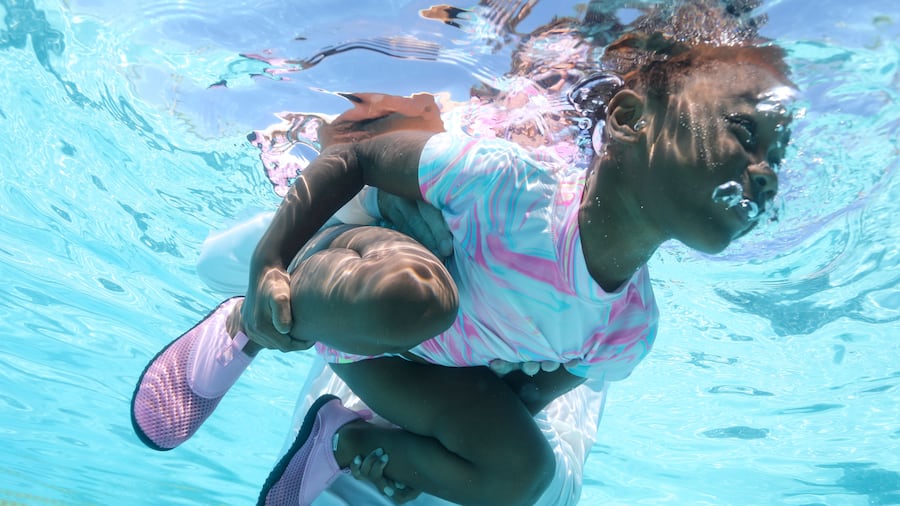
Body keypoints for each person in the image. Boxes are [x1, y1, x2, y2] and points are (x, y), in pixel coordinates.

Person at [131, 2, 796, 505]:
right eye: (744, 131)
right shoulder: (510, 184)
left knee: (525, 473)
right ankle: (248, 321)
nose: (765, 171)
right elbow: (358, 158)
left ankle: (343, 438)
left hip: (414, 373)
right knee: (417, 297)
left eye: (779, 153)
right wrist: (269, 260)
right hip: (371, 275)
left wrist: (428, 455)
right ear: (625, 119)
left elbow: (522, 399)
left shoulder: (631, 331)